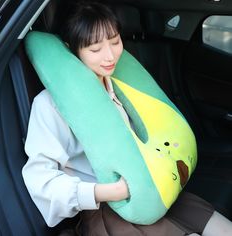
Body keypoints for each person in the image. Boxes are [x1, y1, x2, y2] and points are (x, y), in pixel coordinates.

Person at [22, 2, 232, 236]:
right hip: (107, 208)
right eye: (95, 49)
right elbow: (41, 179)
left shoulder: (120, 84)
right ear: (73, 50)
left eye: (115, 42)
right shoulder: (51, 104)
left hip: (153, 187)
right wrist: (109, 192)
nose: (110, 56)